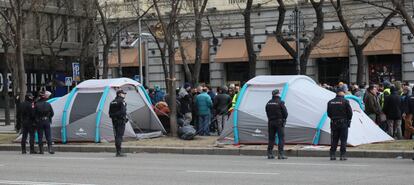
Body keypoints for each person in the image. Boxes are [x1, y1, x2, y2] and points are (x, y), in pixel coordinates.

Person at [327, 88, 353, 161]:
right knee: (343, 140)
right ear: (341, 92)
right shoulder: (345, 101)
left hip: (334, 122)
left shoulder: (330, 102)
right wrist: (348, 119)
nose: (344, 93)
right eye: (344, 92)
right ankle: (342, 155)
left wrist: (334, 118)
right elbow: (350, 113)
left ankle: (332, 155)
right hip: (343, 123)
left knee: (334, 139)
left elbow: (329, 113)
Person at [265, 89, 288, 160]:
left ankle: (270, 154)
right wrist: (283, 119)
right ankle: (280, 155)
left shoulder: (268, 103)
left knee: (271, 138)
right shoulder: (280, 102)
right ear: (278, 94)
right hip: (279, 122)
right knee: (281, 138)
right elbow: (285, 113)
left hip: (270, 122)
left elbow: (267, 112)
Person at [109, 90, 128, 157]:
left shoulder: (112, 102)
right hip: (120, 121)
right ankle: (119, 152)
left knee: (116, 136)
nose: (124, 95)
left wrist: (115, 116)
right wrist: (123, 117)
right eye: (123, 93)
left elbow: (110, 114)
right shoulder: (122, 101)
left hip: (114, 121)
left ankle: (118, 151)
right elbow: (123, 112)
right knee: (119, 136)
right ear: (119, 94)